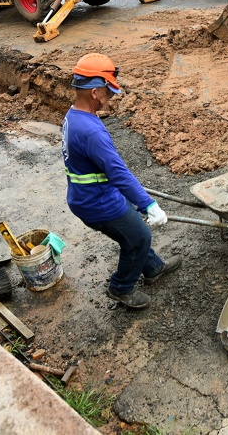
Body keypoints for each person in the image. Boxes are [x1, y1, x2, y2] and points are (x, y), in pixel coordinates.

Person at [62, 53, 179, 310]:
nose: (111, 98)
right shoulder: (91, 131)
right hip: (97, 202)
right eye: (109, 92)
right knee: (138, 239)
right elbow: (119, 173)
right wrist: (148, 205)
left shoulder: (74, 116)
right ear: (95, 92)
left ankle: (154, 268)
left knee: (134, 232)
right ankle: (121, 288)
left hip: (88, 195)